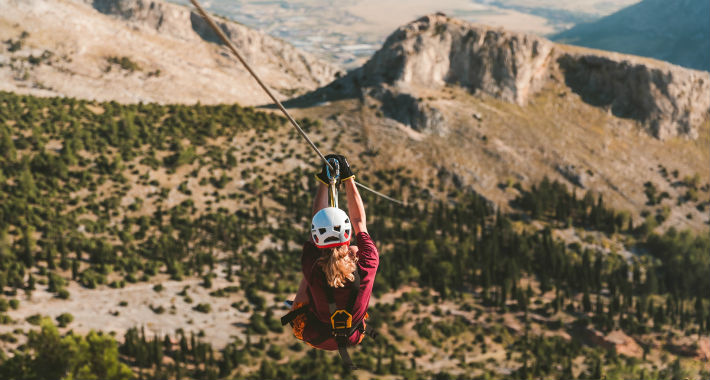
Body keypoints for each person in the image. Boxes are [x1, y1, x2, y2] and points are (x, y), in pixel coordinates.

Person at [282, 154, 379, 366]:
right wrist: (348, 178)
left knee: (309, 276)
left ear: (317, 237)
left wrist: (325, 184)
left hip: (314, 331)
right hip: (352, 335)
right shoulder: (368, 263)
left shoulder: (313, 266)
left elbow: (316, 223)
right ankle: (303, 301)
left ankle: (299, 303)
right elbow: (359, 222)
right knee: (328, 260)